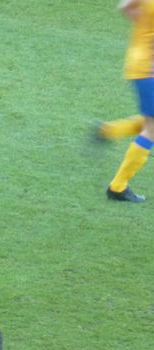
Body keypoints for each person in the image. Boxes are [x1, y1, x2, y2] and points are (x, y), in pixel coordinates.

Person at [95, 0, 154, 202]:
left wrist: (144, 28)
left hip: (137, 62)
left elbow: (124, 7)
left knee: (150, 122)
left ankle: (109, 130)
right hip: (149, 71)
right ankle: (117, 187)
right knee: (152, 129)